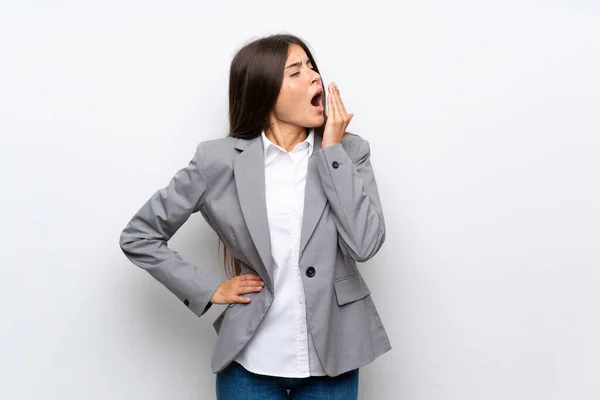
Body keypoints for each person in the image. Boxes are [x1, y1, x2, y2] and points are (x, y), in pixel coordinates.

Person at [119, 33, 391, 400]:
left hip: (334, 360)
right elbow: (140, 235)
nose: (314, 77)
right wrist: (208, 290)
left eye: (312, 67)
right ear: (264, 90)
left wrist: (331, 151)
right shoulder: (217, 161)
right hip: (250, 365)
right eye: (296, 71)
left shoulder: (349, 151)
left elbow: (365, 244)